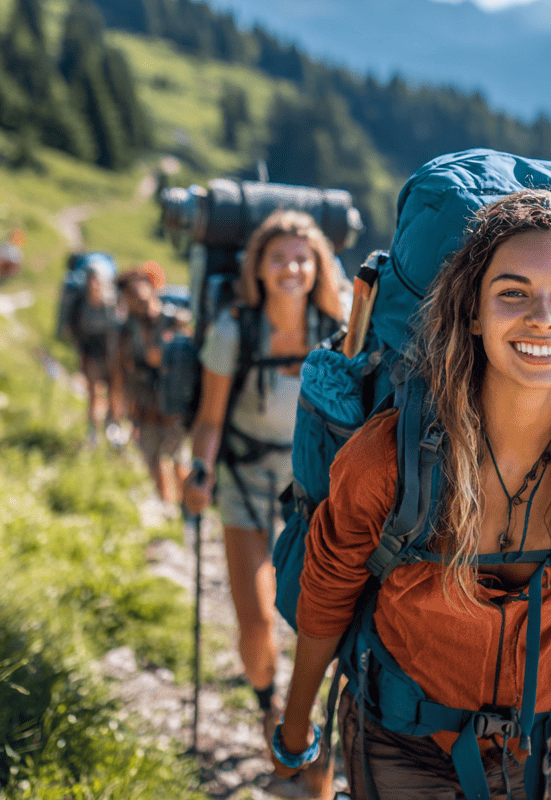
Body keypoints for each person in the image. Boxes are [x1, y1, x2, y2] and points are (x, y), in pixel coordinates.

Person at [274, 190, 551, 800]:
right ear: (472, 313)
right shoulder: (388, 454)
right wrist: (298, 721)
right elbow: (328, 591)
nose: (543, 316)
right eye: (512, 292)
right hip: (402, 739)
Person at [183, 210, 346, 762]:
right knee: (257, 624)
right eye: (278, 257)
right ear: (258, 267)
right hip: (245, 479)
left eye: (302, 257)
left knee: (317, 618)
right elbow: (210, 417)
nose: (291, 267)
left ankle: (308, 721)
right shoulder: (235, 331)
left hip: (313, 483)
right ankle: (267, 706)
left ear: (320, 265)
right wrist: (199, 472)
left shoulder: (339, 328)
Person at [118, 262, 189, 505]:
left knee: (178, 456)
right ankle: (167, 505)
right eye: (131, 297)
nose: (137, 302)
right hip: (145, 402)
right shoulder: (127, 328)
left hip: (174, 401)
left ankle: (187, 506)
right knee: (151, 456)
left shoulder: (176, 320)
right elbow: (124, 367)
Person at [70, 258, 122, 445]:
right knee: (93, 392)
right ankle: (93, 430)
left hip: (112, 356)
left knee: (113, 392)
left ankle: (112, 427)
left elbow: (119, 330)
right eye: (91, 279)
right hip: (91, 354)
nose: (94, 283)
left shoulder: (112, 303)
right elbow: (75, 330)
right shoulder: (80, 303)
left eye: (97, 279)